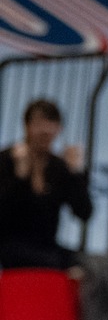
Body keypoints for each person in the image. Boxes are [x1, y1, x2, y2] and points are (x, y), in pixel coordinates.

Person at [0, 101, 92, 269]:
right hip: (9, 246)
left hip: (48, 247)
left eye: (51, 124)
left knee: (97, 266)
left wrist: (75, 173)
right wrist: (20, 177)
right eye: (39, 124)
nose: (45, 130)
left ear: (59, 129)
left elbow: (84, 212)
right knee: (51, 263)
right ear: (27, 126)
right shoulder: (7, 159)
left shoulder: (59, 167)